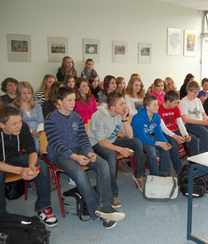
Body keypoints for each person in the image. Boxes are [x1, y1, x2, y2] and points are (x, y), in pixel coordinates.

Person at [45, 87, 125, 229]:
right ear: (59, 102)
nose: (73, 103)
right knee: (78, 173)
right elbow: (56, 144)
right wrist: (75, 157)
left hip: (79, 149)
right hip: (59, 154)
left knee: (103, 165)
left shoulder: (76, 117)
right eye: (69, 100)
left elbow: (83, 137)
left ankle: (105, 205)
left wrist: (89, 152)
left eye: (74, 100)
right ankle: (98, 212)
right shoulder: (51, 119)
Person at [0, 106, 58, 227]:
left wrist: (31, 165)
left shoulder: (23, 127)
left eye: (20, 121)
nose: (19, 126)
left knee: (40, 164)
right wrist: (20, 170)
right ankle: (2, 216)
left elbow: (32, 150)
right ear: (2, 124)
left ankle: (43, 207)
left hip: (15, 158)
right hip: (2, 163)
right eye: (14, 123)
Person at [87, 91, 145, 197]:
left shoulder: (119, 114)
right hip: (96, 144)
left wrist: (124, 118)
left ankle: (139, 176)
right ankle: (112, 193)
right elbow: (101, 142)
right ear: (113, 107)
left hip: (111, 141)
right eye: (121, 104)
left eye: (124, 103)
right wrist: (119, 149)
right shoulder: (99, 116)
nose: (125, 106)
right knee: (111, 155)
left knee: (136, 142)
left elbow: (130, 135)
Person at [158, 91, 200, 174]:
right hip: (164, 132)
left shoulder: (176, 108)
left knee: (194, 140)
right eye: (174, 103)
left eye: (177, 102)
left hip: (175, 130)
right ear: (167, 101)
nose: (176, 104)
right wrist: (175, 136)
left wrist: (185, 134)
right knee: (173, 144)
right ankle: (179, 169)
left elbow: (180, 123)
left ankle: (193, 165)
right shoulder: (159, 109)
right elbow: (163, 127)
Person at [131, 95, 171, 177]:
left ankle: (164, 173)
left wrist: (165, 143)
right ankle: (155, 175)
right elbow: (141, 138)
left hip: (146, 137)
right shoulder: (138, 118)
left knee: (165, 147)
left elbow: (158, 133)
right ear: (147, 107)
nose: (157, 107)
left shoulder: (156, 116)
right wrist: (159, 143)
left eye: (157, 104)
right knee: (151, 150)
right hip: (137, 140)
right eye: (155, 105)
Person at [11, 81, 44, 154]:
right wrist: (32, 132)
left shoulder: (37, 105)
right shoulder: (13, 107)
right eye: (24, 93)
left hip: (38, 132)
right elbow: (15, 124)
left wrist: (39, 131)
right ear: (18, 94)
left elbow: (41, 121)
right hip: (22, 133)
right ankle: (36, 160)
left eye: (29, 93)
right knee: (35, 142)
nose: (27, 96)